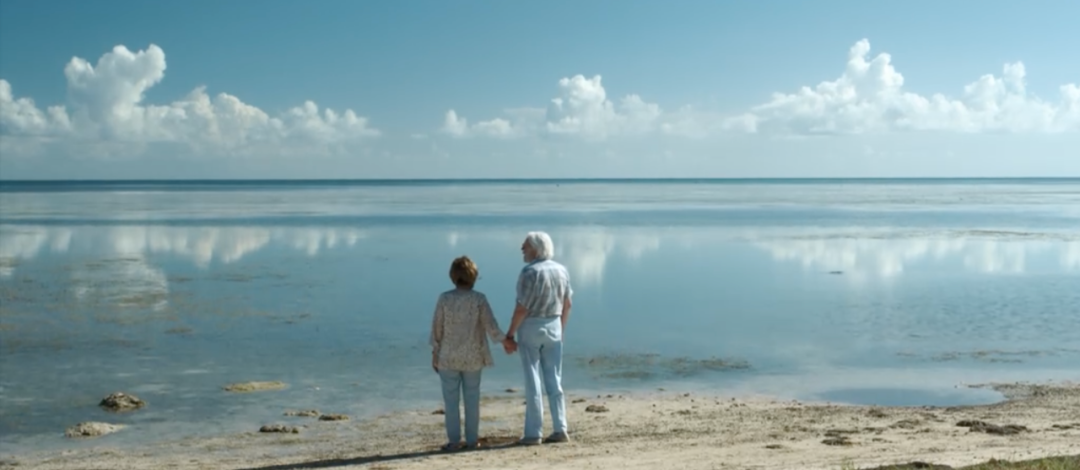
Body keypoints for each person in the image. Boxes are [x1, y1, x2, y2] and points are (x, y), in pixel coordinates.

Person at [502, 231, 574, 445]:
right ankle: (560, 427)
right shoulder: (562, 270)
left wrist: (510, 334)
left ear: (535, 248)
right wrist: (561, 329)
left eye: (525, 246)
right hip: (554, 324)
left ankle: (534, 433)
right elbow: (568, 303)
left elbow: (522, 308)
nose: (522, 249)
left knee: (533, 379)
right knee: (554, 379)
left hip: (532, 326)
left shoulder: (529, 272)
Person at [429, 256, 507, 452]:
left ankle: (454, 441)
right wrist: (507, 341)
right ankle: (472, 441)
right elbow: (491, 326)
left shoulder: (444, 298)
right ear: (473, 276)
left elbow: (437, 329)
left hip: (448, 357)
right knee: (472, 399)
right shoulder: (479, 299)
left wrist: (435, 353)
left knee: (451, 401)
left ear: (453, 276)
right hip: (473, 357)